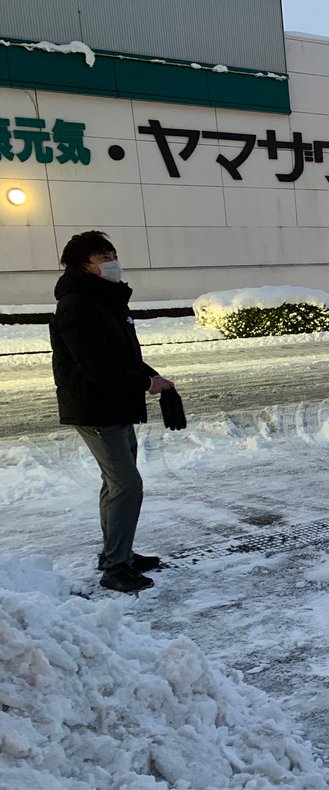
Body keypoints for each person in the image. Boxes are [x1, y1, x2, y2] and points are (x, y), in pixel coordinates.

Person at [49, 231, 173, 593]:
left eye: (112, 254)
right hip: (96, 407)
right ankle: (116, 567)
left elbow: (121, 355)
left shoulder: (107, 299)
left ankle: (118, 554)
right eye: (103, 257)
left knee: (116, 483)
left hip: (115, 405)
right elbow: (95, 365)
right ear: (83, 266)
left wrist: (151, 375)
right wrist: (142, 384)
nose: (112, 262)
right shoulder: (77, 304)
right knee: (127, 486)